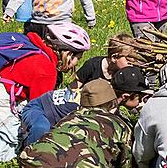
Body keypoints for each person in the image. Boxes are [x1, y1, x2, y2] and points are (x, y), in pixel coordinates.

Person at [0, 23, 91, 168]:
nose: (77, 64)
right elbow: (39, 107)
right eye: (78, 58)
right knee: (8, 151)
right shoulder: (46, 69)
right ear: (67, 53)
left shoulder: (31, 44)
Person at [20, 65, 150, 151]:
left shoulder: (106, 97)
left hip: (57, 113)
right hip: (38, 108)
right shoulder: (95, 102)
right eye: (140, 97)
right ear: (126, 96)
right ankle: (30, 155)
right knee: (41, 128)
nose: (141, 101)